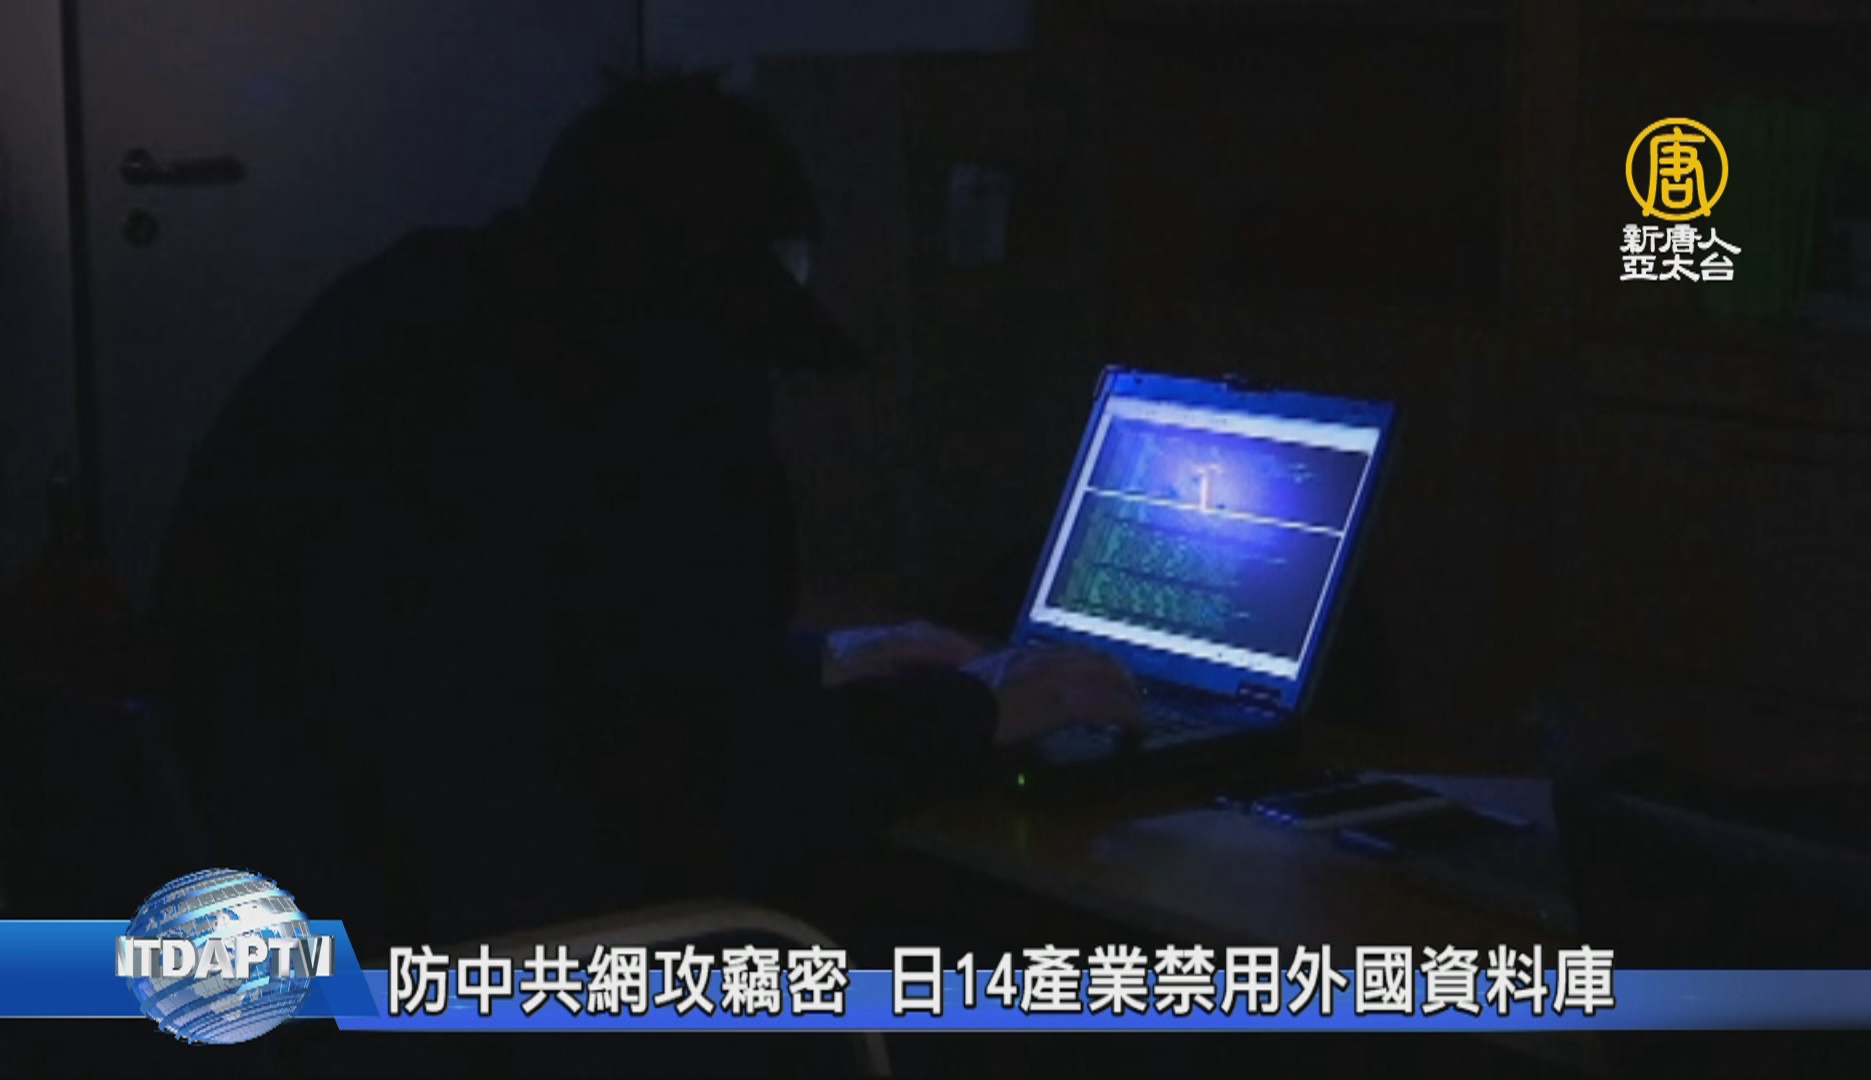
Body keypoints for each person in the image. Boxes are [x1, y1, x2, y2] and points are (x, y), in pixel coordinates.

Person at [145, 72, 1138, 959]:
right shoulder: (650, 407)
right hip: (488, 942)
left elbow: (560, 658)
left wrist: (813, 664)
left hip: (294, 894)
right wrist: (986, 708)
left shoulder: (413, 311)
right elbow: (725, 786)